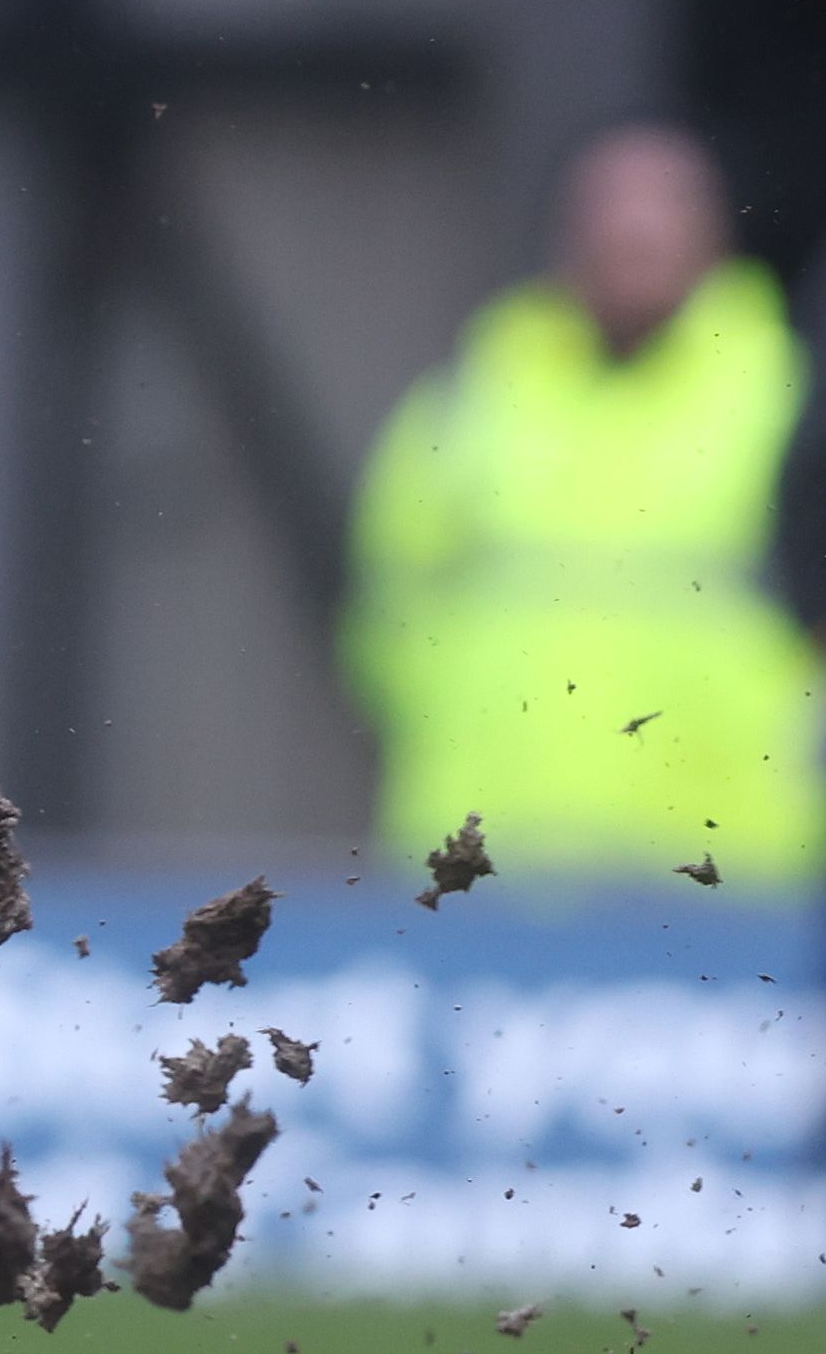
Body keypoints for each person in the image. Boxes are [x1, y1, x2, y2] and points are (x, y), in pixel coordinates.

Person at [351, 124, 821, 881]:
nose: (634, 230)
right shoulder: (475, 394)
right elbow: (386, 610)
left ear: (718, 228)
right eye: (611, 205)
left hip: (736, 867)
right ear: (565, 230)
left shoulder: (792, 403)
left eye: (665, 204)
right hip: (489, 859)